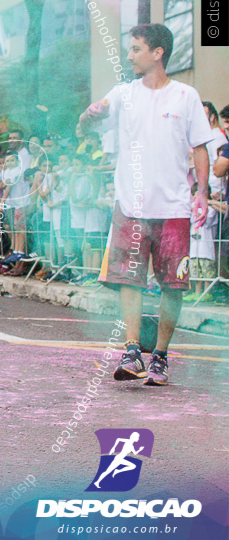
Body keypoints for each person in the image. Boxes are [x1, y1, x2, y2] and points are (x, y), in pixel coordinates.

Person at [80, 23, 215, 387]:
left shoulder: (186, 96)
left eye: (136, 49)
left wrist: (201, 193)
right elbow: (89, 122)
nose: (129, 55)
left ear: (158, 53)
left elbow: (200, 147)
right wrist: (88, 117)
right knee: (130, 280)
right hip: (131, 205)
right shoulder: (123, 93)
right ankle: (132, 350)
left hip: (173, 209)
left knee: (173, 285)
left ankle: (161, 357)